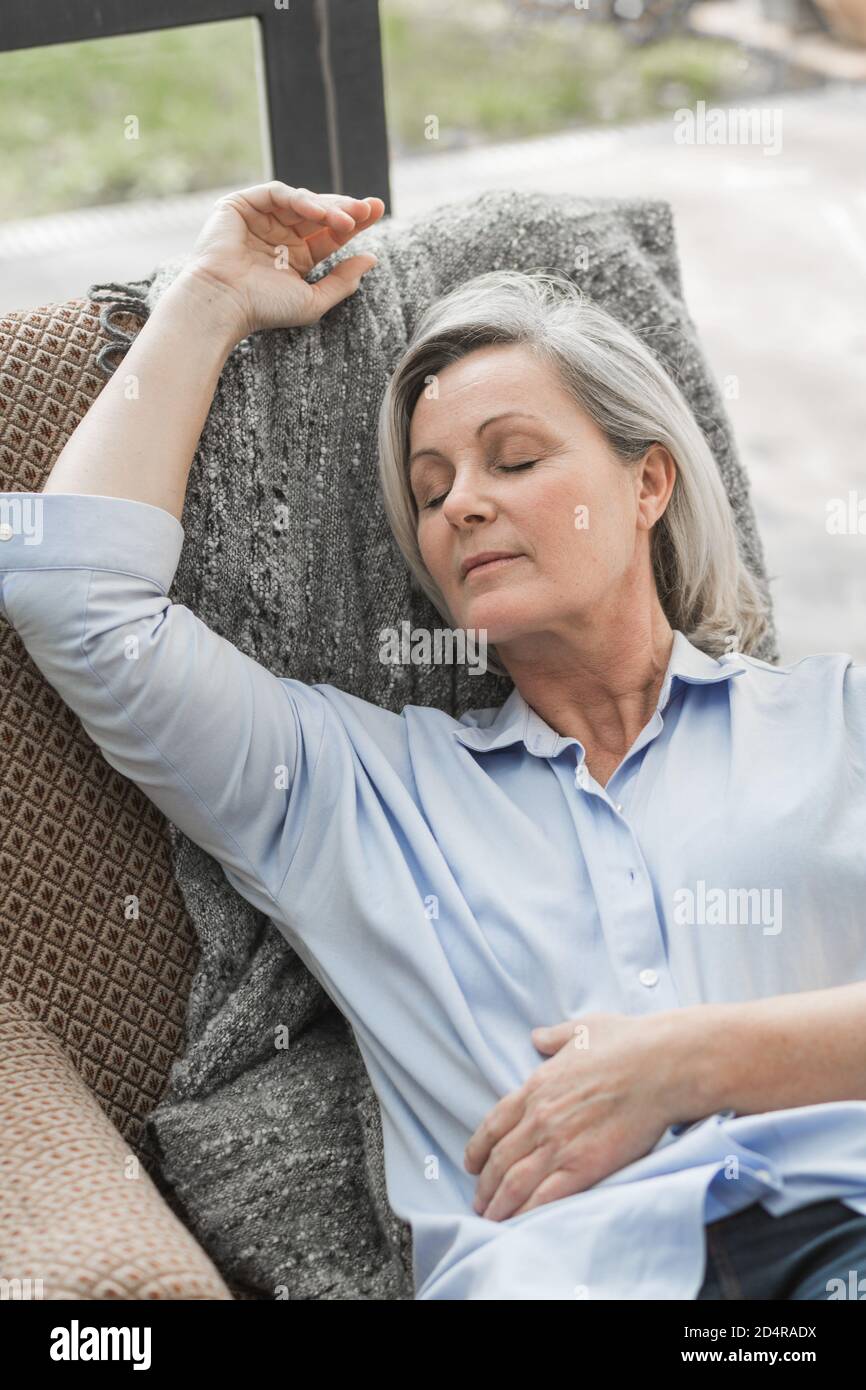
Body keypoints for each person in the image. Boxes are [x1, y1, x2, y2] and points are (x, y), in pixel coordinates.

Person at [2, 181, 866, 1302]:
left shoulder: (832, 724)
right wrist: (209, 298)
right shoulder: (349, 792)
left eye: (511, 458)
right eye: (430, 485)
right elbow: (75, 594)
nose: (459, 504)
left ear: (645, 479)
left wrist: (681, 1065)